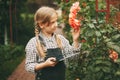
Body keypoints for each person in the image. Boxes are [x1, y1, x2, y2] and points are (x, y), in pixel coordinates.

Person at [25, 6, 81, 80]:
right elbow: (29, 66)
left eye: (56, 21)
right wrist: (44, 64)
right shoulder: (33, 43)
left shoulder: (61, 39)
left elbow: (74, 58)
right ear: (41, 24)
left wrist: (75, 40)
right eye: (52, 22)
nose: (56, 24)